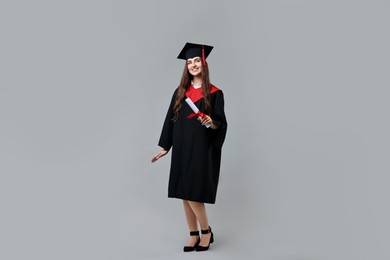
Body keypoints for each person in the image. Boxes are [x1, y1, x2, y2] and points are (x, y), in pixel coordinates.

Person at [151, 42, 227, 252]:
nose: (193, 65)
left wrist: (210, 122)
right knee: (184, 193)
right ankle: (193, 234)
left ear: (203, 63)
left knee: (194, 193)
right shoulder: (180, 92)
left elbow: (220, 123)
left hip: (202, 148)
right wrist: (166, 147)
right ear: (186, 67)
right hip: (183, 147)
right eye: (189, 62)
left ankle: (206, 232)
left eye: (196, 61)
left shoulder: (215, 93)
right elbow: (170, 120)